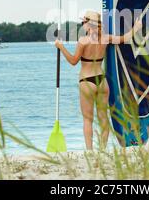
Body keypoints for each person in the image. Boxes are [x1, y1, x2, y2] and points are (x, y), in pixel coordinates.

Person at [55, 11, 142, 150]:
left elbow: (73, 61)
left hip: (86, 81)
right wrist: (136, 28)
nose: (82, 25)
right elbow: (125, 38)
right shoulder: (105, 38)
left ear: (89, 24)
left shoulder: (83, 41)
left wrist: (61, 47)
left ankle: (89, 151)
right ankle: (102, 150)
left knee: (87, 119)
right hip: (102, 81)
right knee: (103, 118)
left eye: (83, 22)